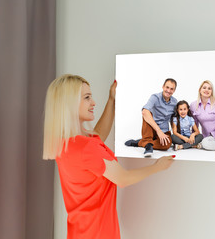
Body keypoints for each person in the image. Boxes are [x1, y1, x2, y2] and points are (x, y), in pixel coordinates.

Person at [42, 74, 175, 239]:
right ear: (70, 103)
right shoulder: (87, 147)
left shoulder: (65, 143)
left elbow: (98, 136)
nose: (93, 102)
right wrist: (157, 167)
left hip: (79, 232)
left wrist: (111, 100)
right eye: (87, 97)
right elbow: (123, 178)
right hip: (99, 233)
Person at [125, 78, 178, 156]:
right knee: (147, 112)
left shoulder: (174, 102)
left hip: (164, 131)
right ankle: (148, 145)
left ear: (174, 90)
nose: (168, 90)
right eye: (167, 87)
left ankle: (142, 143)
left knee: (167, 145)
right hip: (151, 129)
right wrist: (158, 130)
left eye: (171, 89)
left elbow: (173, 119)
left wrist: (176, 133)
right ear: (163, 87)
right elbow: (144, 112)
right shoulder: (155, 97)